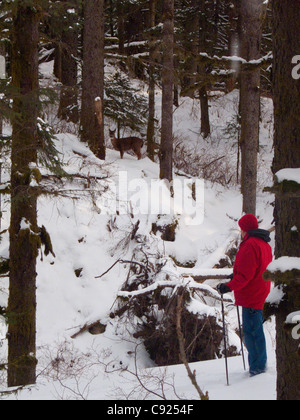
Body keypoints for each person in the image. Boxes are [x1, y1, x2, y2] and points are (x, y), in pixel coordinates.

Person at [217, 214, 273, 377]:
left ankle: (258, 369)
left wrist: (229, 286)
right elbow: (254, 270)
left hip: (252, 295)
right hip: (260, 292)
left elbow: (246, 275)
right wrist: (234, 277)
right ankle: (258, 366)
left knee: (252, 334)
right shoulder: (264, 244)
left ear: (244, 229)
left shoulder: (250, 245)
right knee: (255, 332)